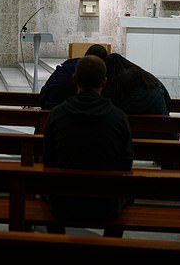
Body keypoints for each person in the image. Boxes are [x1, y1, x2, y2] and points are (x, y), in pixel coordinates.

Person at [43, 55, 134, 235]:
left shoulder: (57, 115)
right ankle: (111, 243)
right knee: (127, 192)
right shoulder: (118, 118)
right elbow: (126, 164)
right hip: (107, 206)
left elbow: (48, 161)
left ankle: (56, 245)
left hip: (63, 204)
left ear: (74, 79)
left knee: (44, 189)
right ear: (105, 81)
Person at [39, 44, 108, 110]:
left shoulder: (65, 68)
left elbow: (44, 93)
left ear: (74, 78)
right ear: (104, 81)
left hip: (51, 108)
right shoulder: (111, 114)